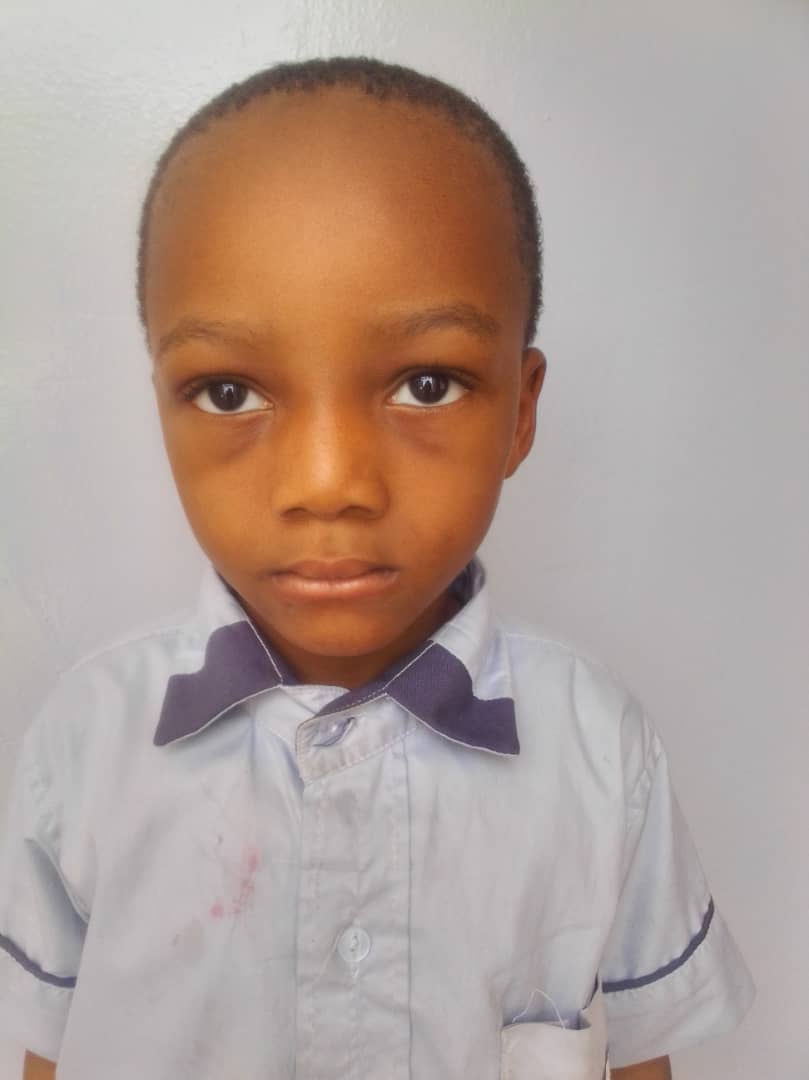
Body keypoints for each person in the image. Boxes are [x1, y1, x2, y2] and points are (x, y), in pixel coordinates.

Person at [1, 57, 753, 1080]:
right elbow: (48, 1053)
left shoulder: (597, 752)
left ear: (520, 411)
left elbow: (637, 1061)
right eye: (228, 392)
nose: (328, 484)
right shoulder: (88, 745)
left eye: (427, 384)